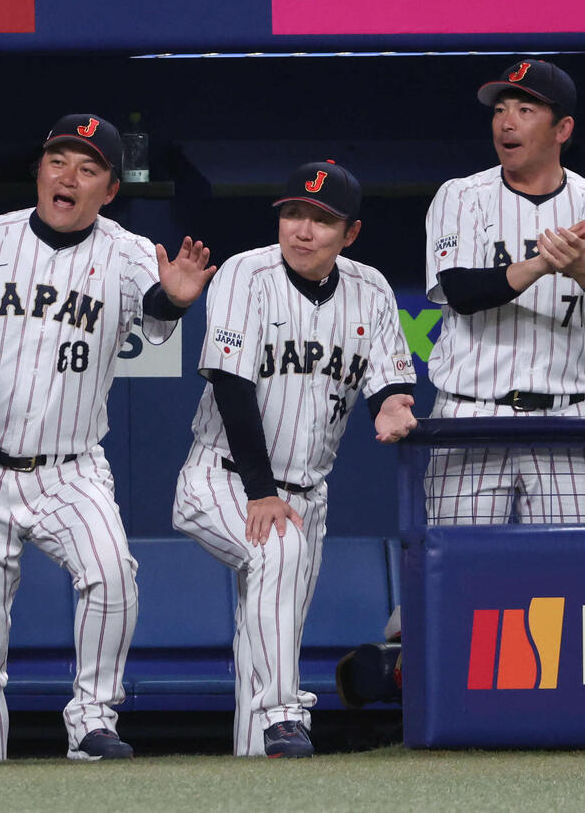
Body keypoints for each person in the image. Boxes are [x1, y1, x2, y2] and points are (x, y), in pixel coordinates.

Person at [0, 114, 215, 761]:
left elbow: (154, 309)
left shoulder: (126, 251)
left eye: (87, 167)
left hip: (70, 467)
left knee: (112, 576)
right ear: (40, 169)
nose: (67, 176)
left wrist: (175, 300)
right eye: (58, 160)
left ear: (109, 189)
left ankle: (92, 721)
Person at [172, 160, 417, 758]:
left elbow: (389, 378)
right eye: (293, 214)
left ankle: (258, 766)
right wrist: (260, 492)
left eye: (321, 220)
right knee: (276, 551)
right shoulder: (244, 272)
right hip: (224, 476)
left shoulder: (371, 287)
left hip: (308, 494)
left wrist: (390, 406)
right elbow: (231, 386)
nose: (303, 230)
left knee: (266, 637)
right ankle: (286, 714)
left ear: (349, 234)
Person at [423, 58, 585, 524]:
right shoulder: (460, 195)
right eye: (500, 109)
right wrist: (544, 264)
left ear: (562, 128)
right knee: (460, 573)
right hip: (471, 416)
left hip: (564, 423)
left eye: (526, 110)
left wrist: (584, 267)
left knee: (564, 579)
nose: (506, 121)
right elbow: (461, 290)